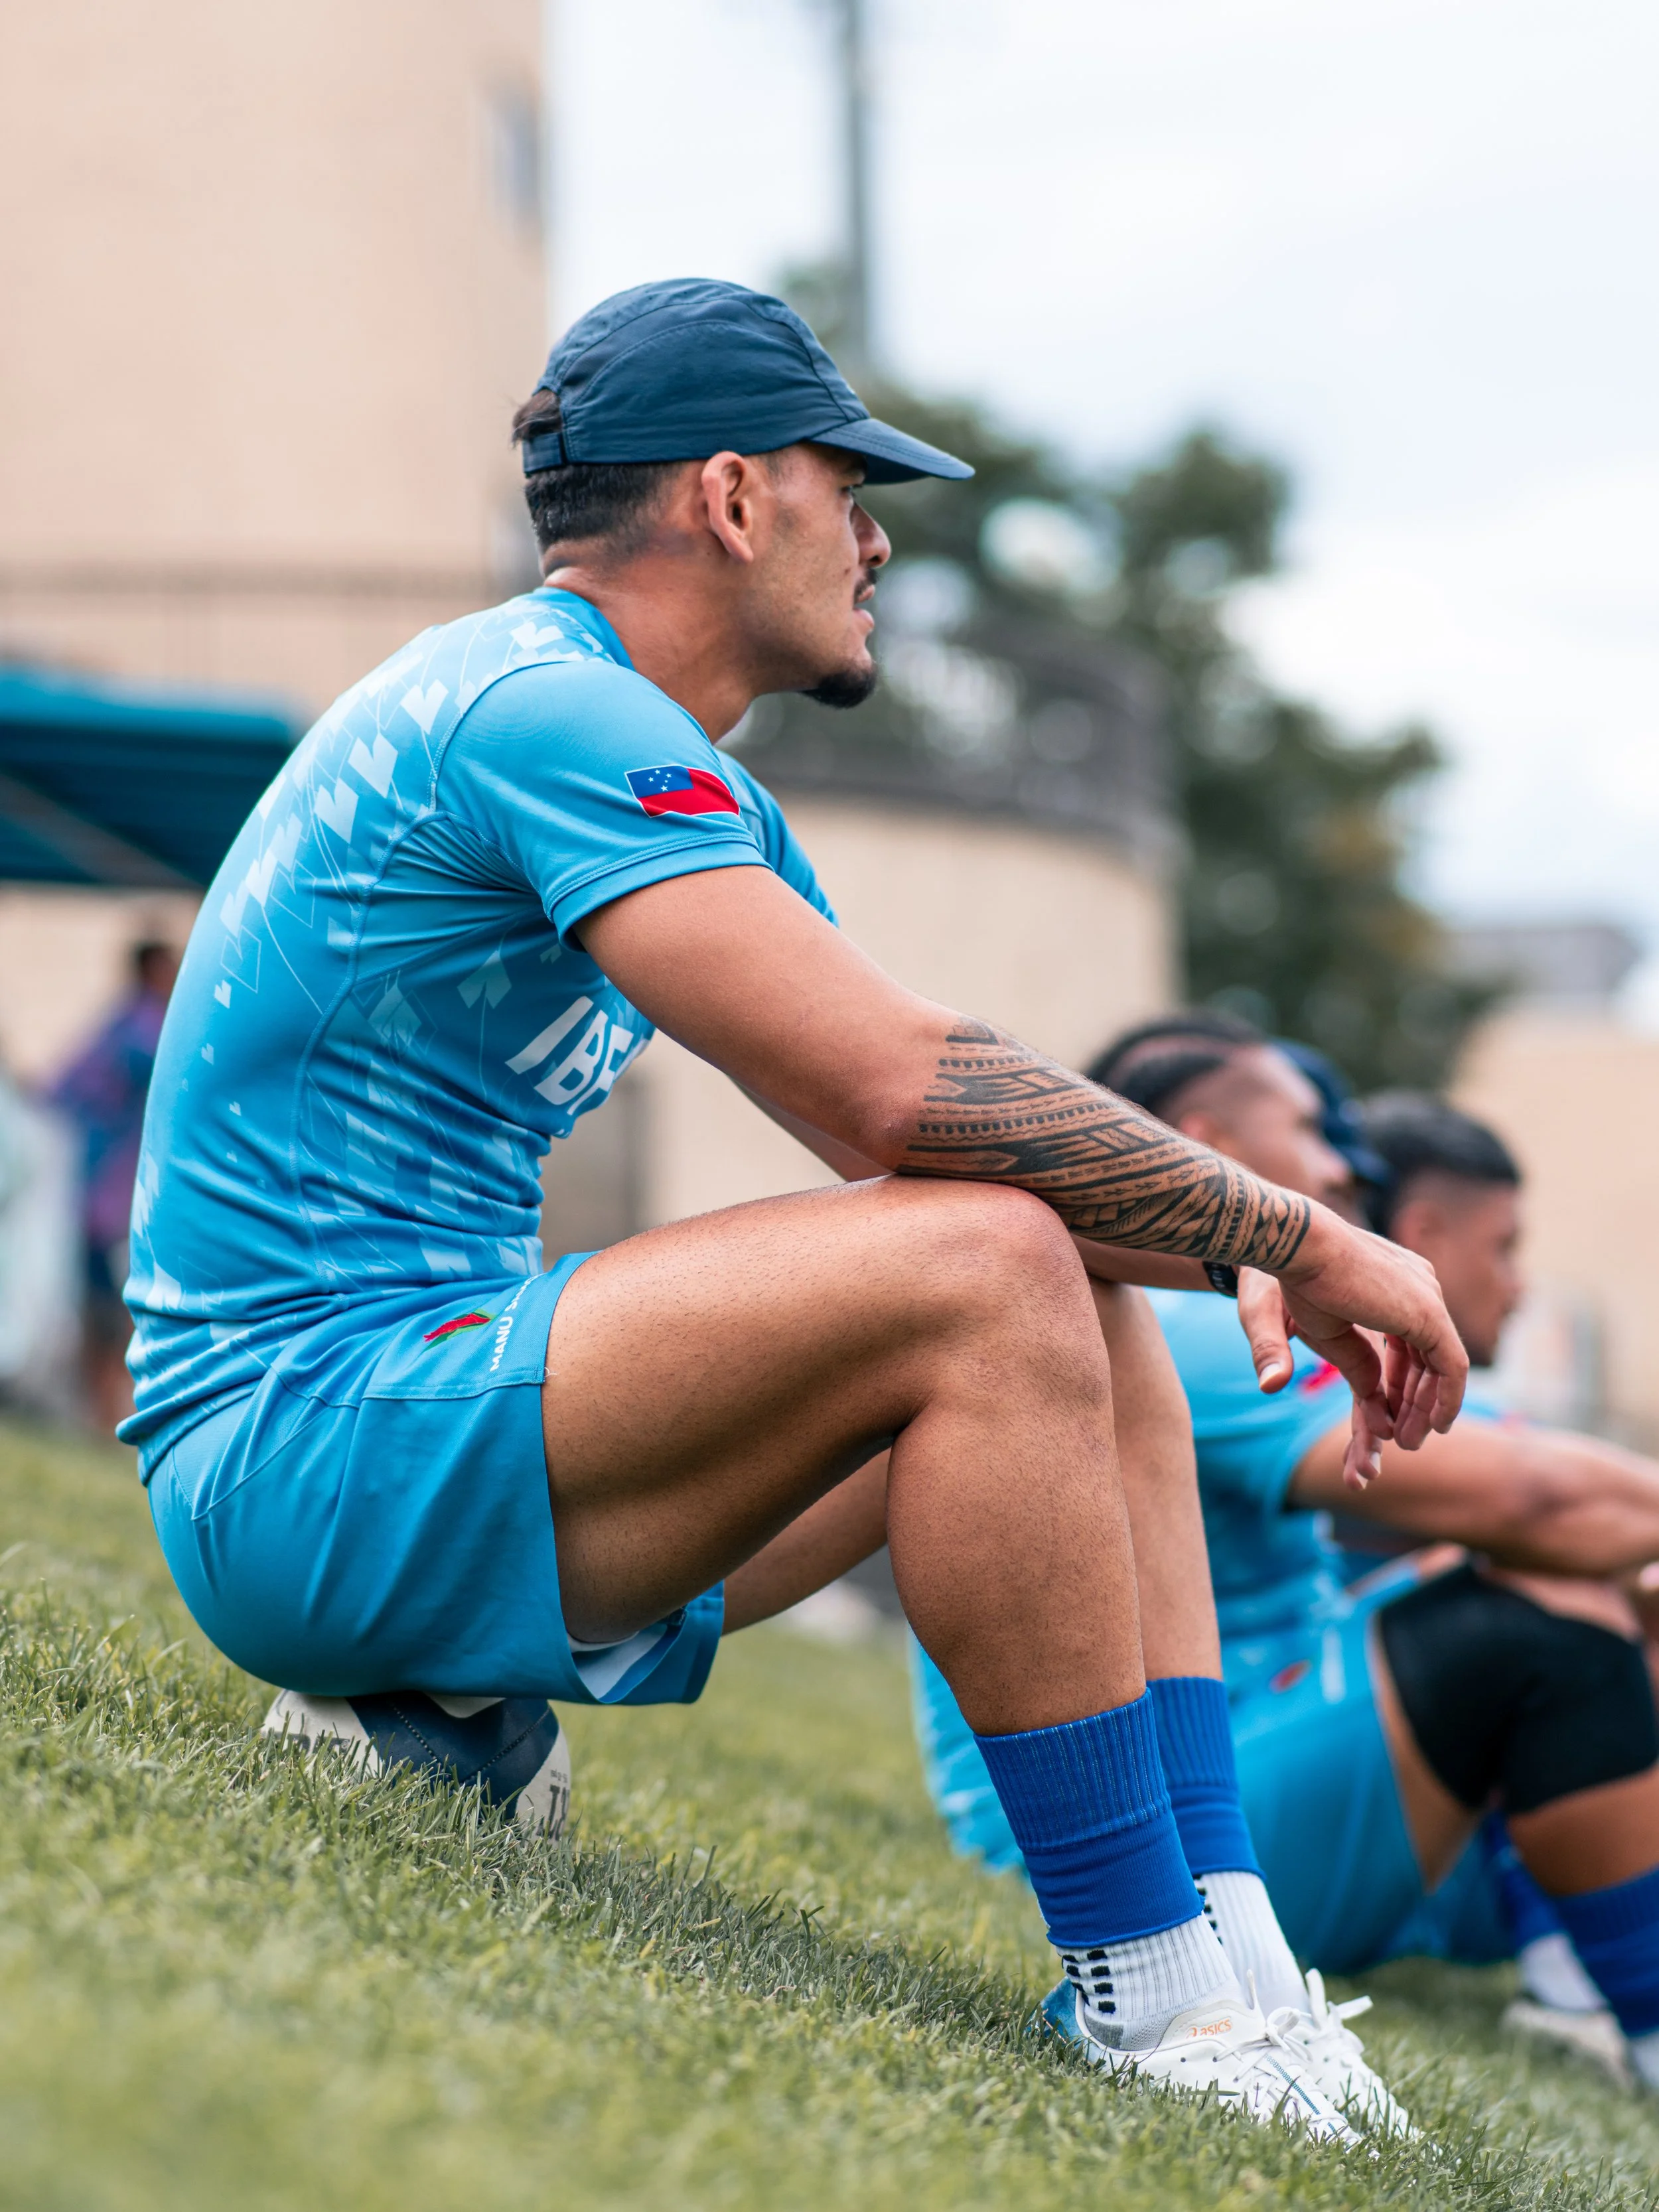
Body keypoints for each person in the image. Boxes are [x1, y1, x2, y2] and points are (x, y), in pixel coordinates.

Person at [121, 281, 1463, 2139]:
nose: (882, 534)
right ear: (735, 497)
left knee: (1072, 1289)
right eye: (854, 486)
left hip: (394, 1429)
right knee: (995, 1256)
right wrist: (1304, 1236)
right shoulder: (545, 709)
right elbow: (897, 1092)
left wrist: (1231, 1251)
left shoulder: (674, 769)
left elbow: (938, 1132)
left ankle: (1231, 1964)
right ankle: (1147, 1998)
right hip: (285, 1449)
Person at [912, 1013, 1659, 2089]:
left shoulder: (1192, 1304)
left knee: (1572, 1583)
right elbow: (1538, 1494)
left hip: (1229, 1772)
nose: (1341, 1168)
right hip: (1095, 1835)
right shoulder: (1184, 1311)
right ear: (1206, 1135)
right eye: (1310, 1129)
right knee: (1545, 1589)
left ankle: (1583, 1982)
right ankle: (1623, 2004)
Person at [48, 938, 179, 1427]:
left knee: (101, 1308)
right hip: (119, 1201)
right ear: (154, 970)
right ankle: (112, 1417)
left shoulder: (118, 1023)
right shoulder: (148, 1030)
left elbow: (58, 1087)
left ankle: (99, 1415)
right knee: (123, 1311)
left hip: (97, 1195)